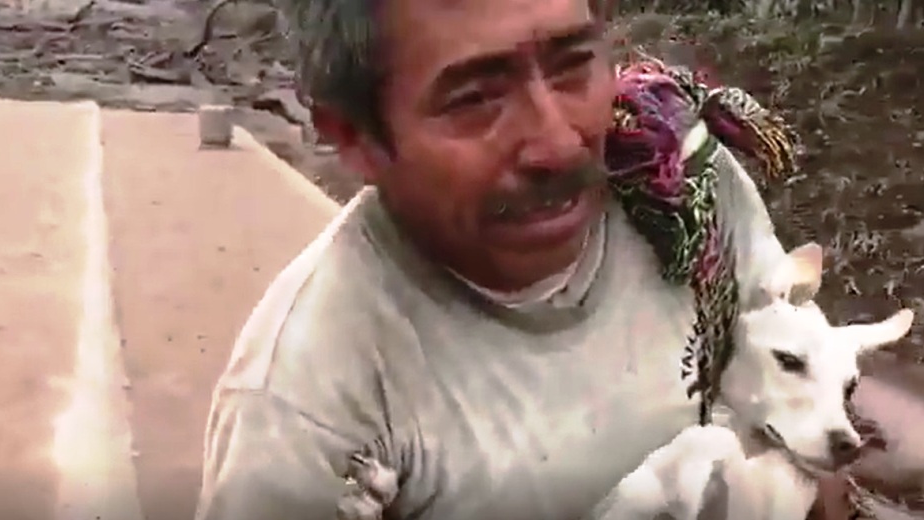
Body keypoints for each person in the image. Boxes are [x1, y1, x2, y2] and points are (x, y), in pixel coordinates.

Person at [194, 0, 845, 519]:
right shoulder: (308, 404)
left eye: (571, 66)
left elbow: (794, 396)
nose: (560, 145)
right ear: (355, 139)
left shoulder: (687, 190)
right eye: (475, 98)